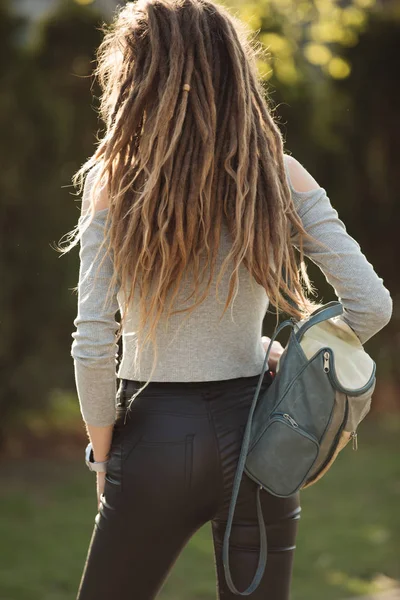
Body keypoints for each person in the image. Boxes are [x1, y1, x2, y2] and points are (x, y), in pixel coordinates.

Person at [63, 0, 393, 598]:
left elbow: (92, 343)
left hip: (154, 441)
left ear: (138, 79)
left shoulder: (114, 181)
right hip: (263, 441)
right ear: (234, 71)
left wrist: (104, 459)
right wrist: (284, 358)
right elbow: (371, 305)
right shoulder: (280, 174)